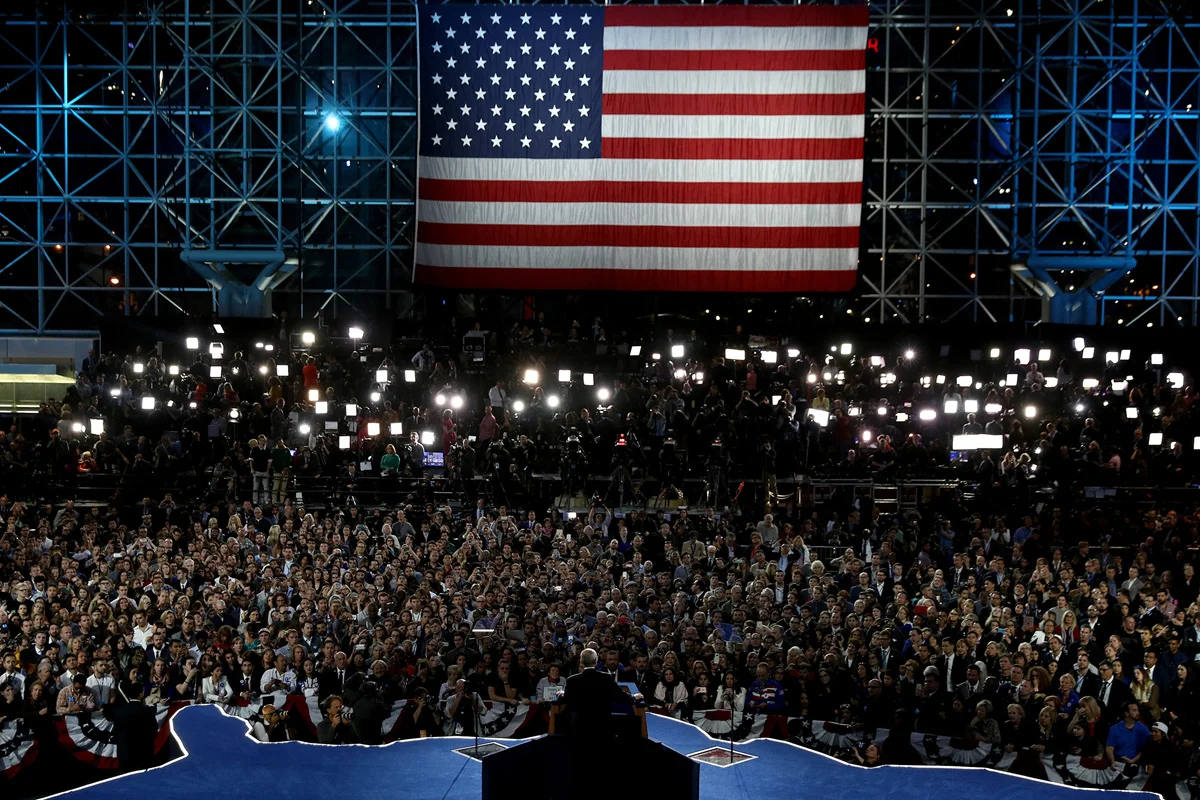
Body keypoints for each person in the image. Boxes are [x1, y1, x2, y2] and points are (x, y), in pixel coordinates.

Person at [561, 648, 638, 739]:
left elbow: (567, 699)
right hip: (602, 726)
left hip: (579, 726)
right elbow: (619, 695)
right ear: (596, 660)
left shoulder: (572, 680)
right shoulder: (606, 678)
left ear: (581, 661)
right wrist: (634, 697)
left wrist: (561, 694)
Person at [1105, 700, 1151, 771]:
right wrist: (1112, 762)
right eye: (1134, 710)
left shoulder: (1143, 729)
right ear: (1126, 713)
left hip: (1136, 763)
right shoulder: (1114, 729)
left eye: (1137, 710)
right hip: (1118, 762)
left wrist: (1132, 761)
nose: (1138, 713)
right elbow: (1109, 748)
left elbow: (1144, 750)